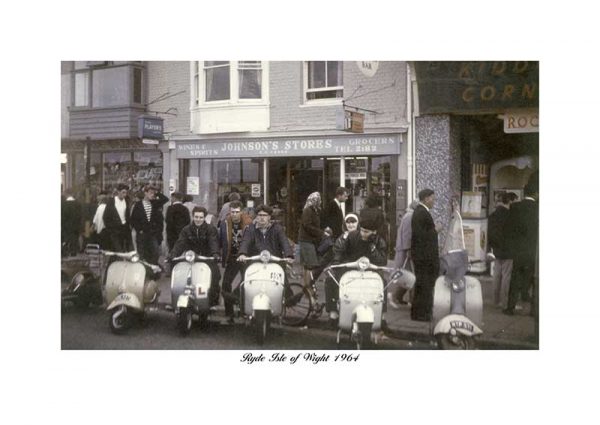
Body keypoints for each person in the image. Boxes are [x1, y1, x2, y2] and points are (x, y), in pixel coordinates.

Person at [324, 210, 388, 322]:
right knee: (331, 281)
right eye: (362, 230)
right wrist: (336, 264)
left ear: (374, 232)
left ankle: (382, 316)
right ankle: (333, 313)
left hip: (370, 271)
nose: (363, 234)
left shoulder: (379, 241)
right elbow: (341, 252)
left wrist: (372, 247)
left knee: (383, 283)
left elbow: (382, 261)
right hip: (351, 268)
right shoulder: (352, 236)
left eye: (367, 232)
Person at [169, 206, 222, 307]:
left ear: (204, 218)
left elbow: (213, 242)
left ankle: (212, 301)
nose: (198, 219)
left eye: (201, 217)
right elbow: (180, 243)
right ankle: (177, 298)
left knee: (215, 276)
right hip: (190, 259)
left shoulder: (210, 229)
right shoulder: (186, 229)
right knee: (181, 276)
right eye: (196, 217)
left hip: (206, 259)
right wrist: (172, 254)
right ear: (192, 217)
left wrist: (215, 254)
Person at [503, 182, 538, 316]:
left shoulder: (515, 207)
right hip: (534, 251)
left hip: (519, 250)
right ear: (536, 194)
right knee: (535, 280)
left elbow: (509, 228)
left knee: (515, 278)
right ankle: (534, 310)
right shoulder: (539, 208)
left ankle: (510, 307)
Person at [218, 200, 253, 323]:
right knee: (225, 284)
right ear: (229, 212)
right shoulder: (224, 223)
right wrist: (217, 253)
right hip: (232, 258)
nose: (234, 214)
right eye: (232, 212)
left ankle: (244, 310)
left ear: (241, 211)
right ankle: (229, 314)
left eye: (237, 212)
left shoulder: (249, 223)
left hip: (245, 258)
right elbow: (220, 240)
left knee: (247, 284)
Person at [411, 188, 441, 321]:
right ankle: (422, 314)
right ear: (426, 198)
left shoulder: (420, 211)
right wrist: (436, 231)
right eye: (432, 199)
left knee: (422, 285)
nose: (434, 202)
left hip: (422, 256)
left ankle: (419, 313)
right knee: (425, 285)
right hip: (425, 257)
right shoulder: (422, 212)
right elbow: (421, 235)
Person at [297, 192, 331, 292]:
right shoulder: (308, 210)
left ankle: (307, 285)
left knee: (308, 265)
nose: (320, 201)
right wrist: (321, 233)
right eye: (318, 200)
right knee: (310, 265)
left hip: (310, 240)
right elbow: (307, 226)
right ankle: (308, 287)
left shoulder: (315, 210)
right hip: (306, 240)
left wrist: (324, 229)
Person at [389, 199, 420, 308]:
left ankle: (398, 297)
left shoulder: (409, 216)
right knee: (408, 276)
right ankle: (396, 297)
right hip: (405, 251)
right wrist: (408, 249)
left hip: (404, 250)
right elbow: (407, 234)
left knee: (406, 275)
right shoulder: (410, 217)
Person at [130, 185, 168, 265]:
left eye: (153, 193)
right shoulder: (138, 205)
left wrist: (157, 192)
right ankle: (144, 271)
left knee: (155, 252)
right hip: (142, 233)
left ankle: (153, 271)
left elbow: (165, 199)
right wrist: (139, 230)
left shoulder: (155, 203)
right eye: (150, 193)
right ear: (145, 193)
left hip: (153, 233)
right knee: (142, 253)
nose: (152, 195)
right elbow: (133, 219)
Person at [488, 192, 514, 309]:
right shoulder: (511, 215)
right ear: (508, 201)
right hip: (508, 250)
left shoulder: (492, 215)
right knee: (506, 277)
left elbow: (490, 234)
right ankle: (505, 303)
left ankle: (495, 301)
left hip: (497, 249)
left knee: (496, 275)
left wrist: (491, 248)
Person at [103, 184, 133, 252]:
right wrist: (110, 228)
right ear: (118, 192)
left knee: (122, 248)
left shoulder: (126, 201)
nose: (124, 195)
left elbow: (127, 215)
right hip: (114, 229)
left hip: (124, 228)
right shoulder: (111, 202)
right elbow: (106, 216)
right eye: (123, 192)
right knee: (117, 248)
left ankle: (115, 261)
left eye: (126, 193)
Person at [61, 191, 83, 256]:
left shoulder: (63, 204)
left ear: (66, 194)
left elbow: (62, 216)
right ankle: (73, 252)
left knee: (66, 238)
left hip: (66, 225)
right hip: (75, 225)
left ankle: (65, 251)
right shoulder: (78, 204)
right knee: (74, 239)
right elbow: (80, 215)